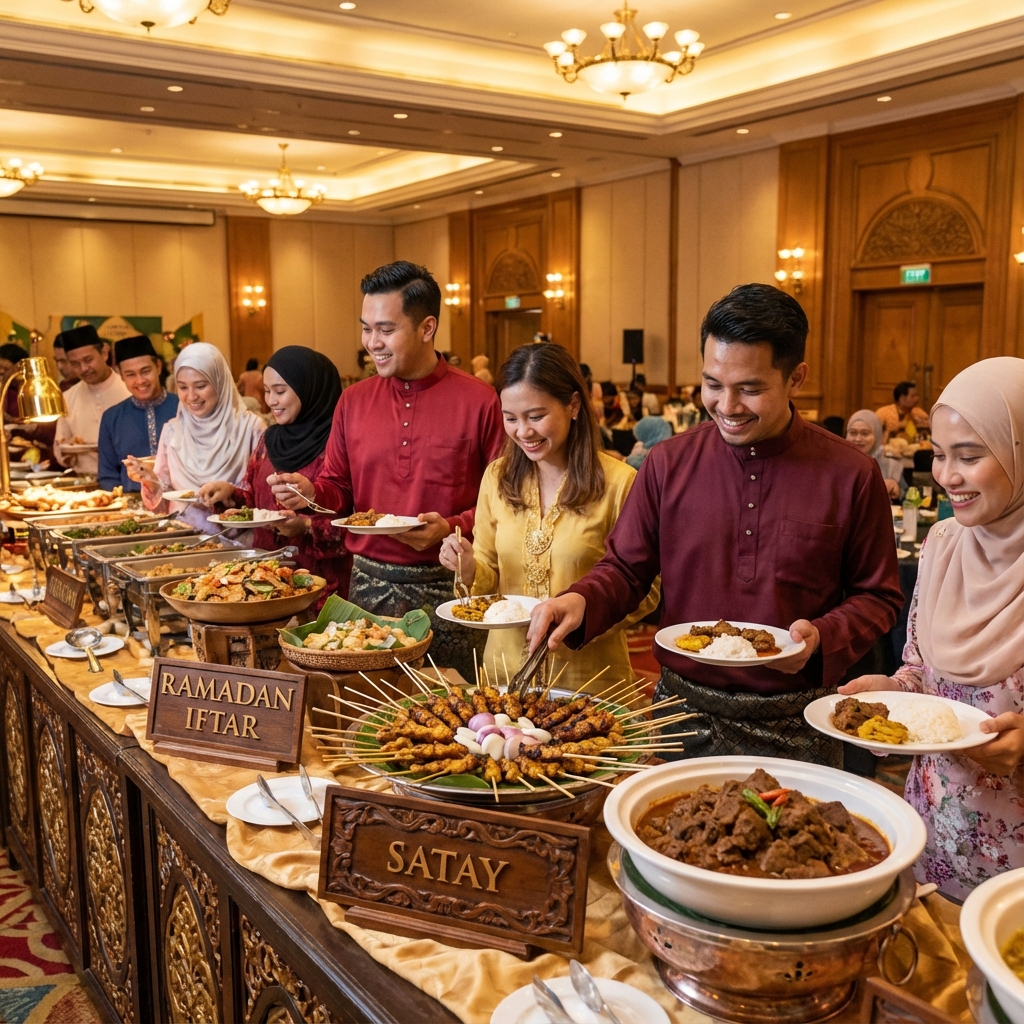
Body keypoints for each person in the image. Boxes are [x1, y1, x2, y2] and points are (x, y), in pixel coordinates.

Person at [527, 283, 904, 767]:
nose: (727, 406)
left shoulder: (850, 473)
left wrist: (822, 637)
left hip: (798, 721)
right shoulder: (668, 464)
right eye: (712, 384)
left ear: (796, 378)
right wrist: (579, 599)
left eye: (749, 389)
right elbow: (625, 568)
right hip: (682, 716)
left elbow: (879, 596)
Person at [839, 357, 1024, 899]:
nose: (947, 477)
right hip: (933, 841)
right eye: (939, 455)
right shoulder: (943, 546)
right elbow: (921, 670)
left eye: (969, 457)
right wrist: (892, 693)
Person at [271, 261, 505, 681]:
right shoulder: (354, 400)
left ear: (427, 327)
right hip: (368, 586)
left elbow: (503, 505)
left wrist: (449, 527)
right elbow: (338, 488)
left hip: (449, 585)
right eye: (366, 328)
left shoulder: (481, 401)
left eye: (385, 329)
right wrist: (309, 492)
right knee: (368, 712)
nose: (371, 343)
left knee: (451, 719)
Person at [440, 344, 659, 692]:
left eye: (536, 416)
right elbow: (487, 570)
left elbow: (647, 589)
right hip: (505, 673)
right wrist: (467, 566)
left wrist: (583, 611)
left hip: (589, 679)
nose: (523, 431)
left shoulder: (620, 483)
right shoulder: (497, 477)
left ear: (573, 406)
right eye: (510, 418)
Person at [201, 346, 351, 605]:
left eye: (280, 391)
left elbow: (356, 523)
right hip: (266, 581)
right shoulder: (269, 440)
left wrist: (304, 526)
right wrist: (232, 496)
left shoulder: (340, 444)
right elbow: (256, 500)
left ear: (310, 389)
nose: (271, 401)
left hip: (320, 589)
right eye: (267, 391)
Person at [126, 343, 264, 534]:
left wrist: (232, 492)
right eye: (182, 387)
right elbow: (162, 503)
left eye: (200, 386)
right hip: (185, 540)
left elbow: (265, 494)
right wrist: (148, 478)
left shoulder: (250, 427)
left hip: (238, 542)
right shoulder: (173, 431)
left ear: (219, 382)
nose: (191, 396)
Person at [97, 335, 178, 492]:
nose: (140, 381)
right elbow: (107, 476)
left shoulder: (183, 409)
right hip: (132, 510)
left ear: (158, 367)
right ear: (121, 375)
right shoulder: (112, 418)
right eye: (131, 375)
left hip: (183, 505)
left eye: (145, 371)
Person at [53, 324, 130, 477]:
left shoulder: (129, 391)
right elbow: (61, 443)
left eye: (88, 360)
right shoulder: (68, 397)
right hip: (83, 481)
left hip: (126, 479)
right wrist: (65, 456)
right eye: (75, 364)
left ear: (104, 352)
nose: (83, 368)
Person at [845, 409, 905, 501]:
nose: (858, 439)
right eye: (853, 433)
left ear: (877, 436)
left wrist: (897, 489)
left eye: (865, 434)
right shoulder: (839, 463)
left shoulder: (890, 465)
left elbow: (908, 495)